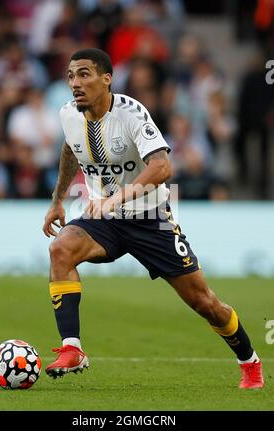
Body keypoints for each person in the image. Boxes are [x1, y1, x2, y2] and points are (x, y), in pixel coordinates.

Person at [43, 48, 264, 389]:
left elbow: (162, 166)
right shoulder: (68, 114)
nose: (75, 82)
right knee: (61, 249)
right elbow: (71, 149)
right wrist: (58, 200)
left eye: (84, 74)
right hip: (104, 219)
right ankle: (72, 348)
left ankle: (249, 361)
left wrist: (117, 197)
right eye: (71, 75)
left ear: (107, 78)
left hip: (150, 220)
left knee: (204, 302)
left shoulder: (131, 112)